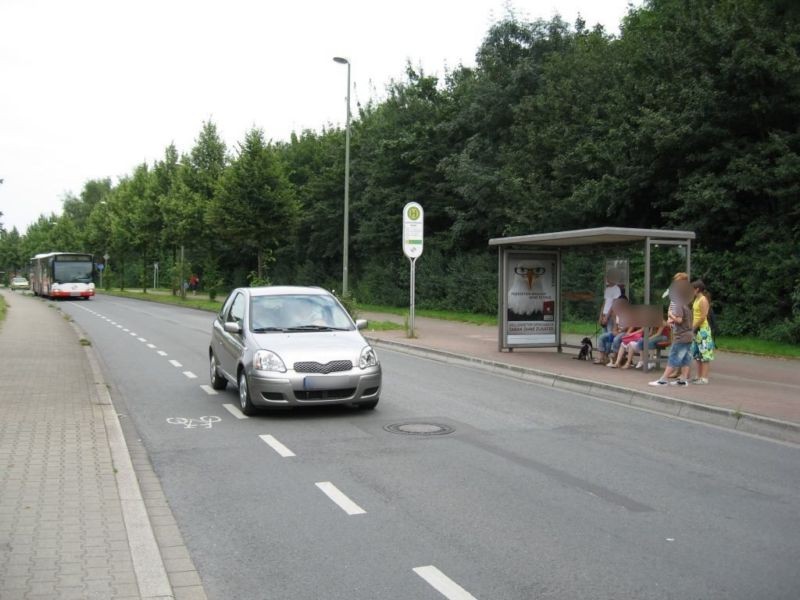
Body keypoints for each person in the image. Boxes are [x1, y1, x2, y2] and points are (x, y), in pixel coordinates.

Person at [649, 280, 693, 387]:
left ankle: (663, 379)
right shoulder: (685, 305)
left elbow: (679, 320)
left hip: (681, 336)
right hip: (688, 336)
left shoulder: (678, 304)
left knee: (673, 357)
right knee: (685, 358)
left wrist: (670, 315)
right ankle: (683, 380)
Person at [690, 279, 715, 384]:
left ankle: (704, 378)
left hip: (702, 330)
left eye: (692, 289)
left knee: (705, 354)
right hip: (696, 330)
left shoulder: (703, 300)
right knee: (697, 354)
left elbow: (703, 316)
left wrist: (693, 327)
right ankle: (698, 375)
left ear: (697, 289)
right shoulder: (696, 299)